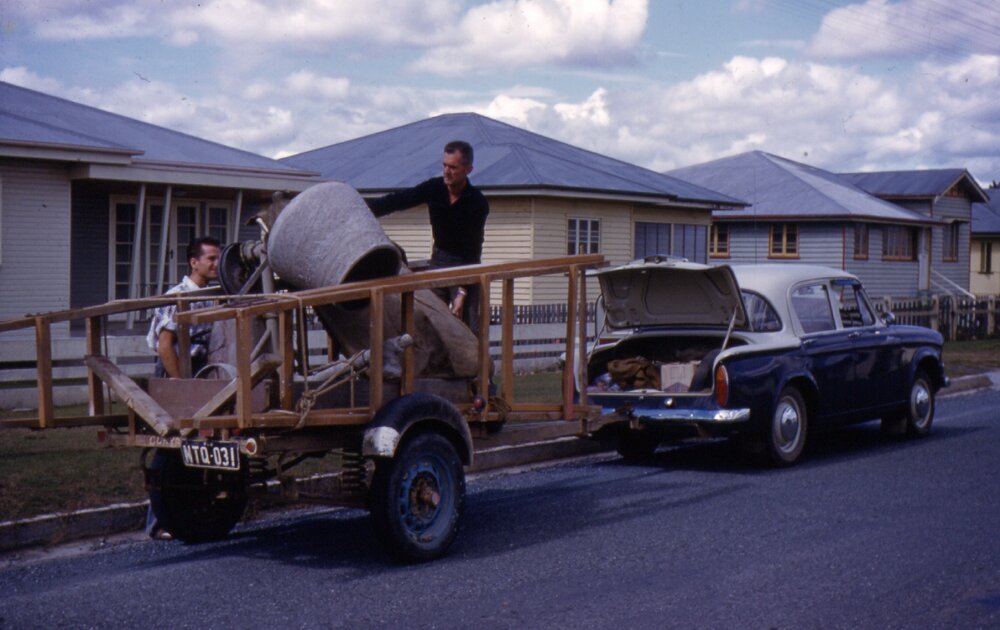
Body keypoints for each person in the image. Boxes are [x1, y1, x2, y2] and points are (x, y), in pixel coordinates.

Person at [366, 140, 489, 330]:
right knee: (430, 321)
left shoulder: (477, 203)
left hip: (466, 265)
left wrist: (462, 293)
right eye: (444, 165)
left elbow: (473, 249)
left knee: (468, 328)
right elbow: (399, 200)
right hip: (439, 259)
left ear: (468, 169)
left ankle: (476, 359)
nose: (447, 171)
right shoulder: (434, 188)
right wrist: (363, 209)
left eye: (453, 167)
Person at [146, 236, 221, 378]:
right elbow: (164, 346)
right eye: (211, 259)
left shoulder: (211, 296)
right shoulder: (178, 296)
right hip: (179, 368)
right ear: (194, 263)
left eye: (219, 259)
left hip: (203, 366)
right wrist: (182, 384)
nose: (217, 264)